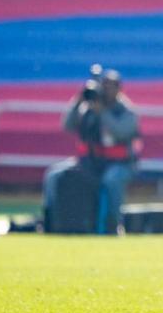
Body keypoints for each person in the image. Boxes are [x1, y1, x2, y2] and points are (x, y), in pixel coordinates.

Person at [44, 69, 140, 234]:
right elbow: (67, 125)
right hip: (89, 162)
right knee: (53, 175)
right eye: (105, 86)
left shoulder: (126, 111)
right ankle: (51, 220)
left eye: (111, 87)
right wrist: (78, 100)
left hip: (120, 164)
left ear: (119, 89)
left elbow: (121, 131)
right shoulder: (87, 107)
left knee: (112, 180)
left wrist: (102, 113)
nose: (107, 90)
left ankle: (113, 225)